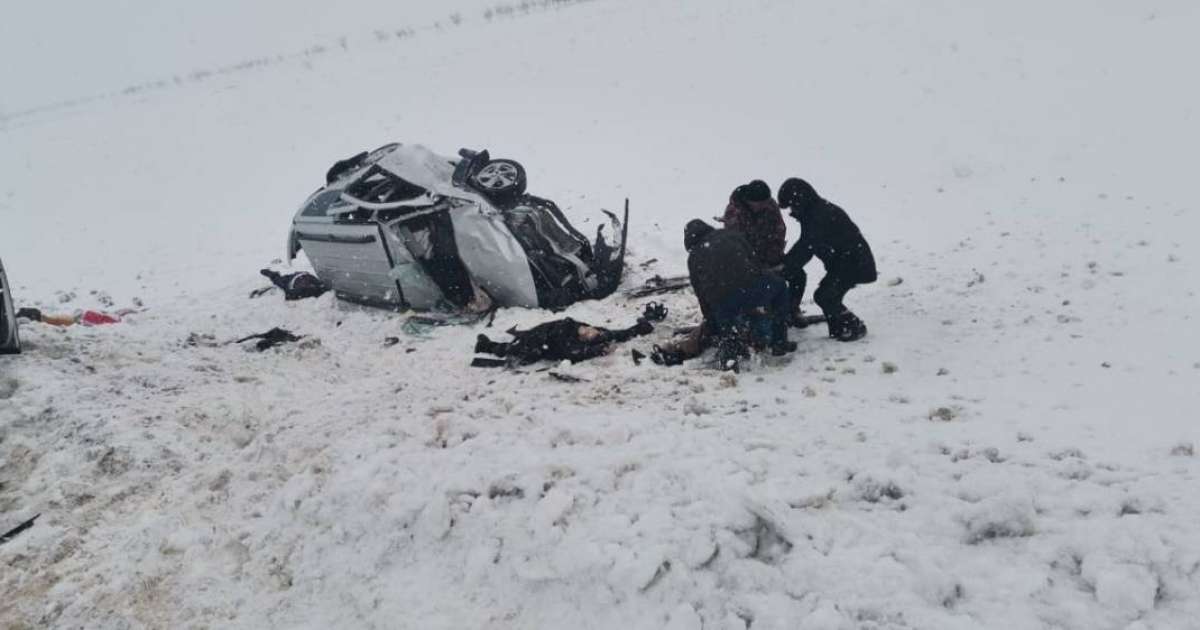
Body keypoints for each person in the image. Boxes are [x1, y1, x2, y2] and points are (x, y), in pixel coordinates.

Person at [685, 219, 795, 369]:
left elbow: (700, 293)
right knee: (780, 287)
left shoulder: (694, 257)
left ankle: (729, 358)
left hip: (723, 301)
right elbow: (755, 262)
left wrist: (711, 319)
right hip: (752, 288)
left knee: (727, 329)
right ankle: (779, 341)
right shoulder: (731, 235)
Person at [778, 178, 877, 342]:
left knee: (826, 295)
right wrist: (787, 265)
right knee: (826, 295)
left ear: (799, 200)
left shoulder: (818, 215)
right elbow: (805, 244)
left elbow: (806, 247)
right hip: (846, 263)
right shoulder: (814, 211)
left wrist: (784, 268)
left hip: (853, 264)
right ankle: (839, 329)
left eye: (792, 205)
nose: (791, 211)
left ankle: (853, 326)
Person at [472, 303, 666, 367]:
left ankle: (489, 345)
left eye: (592, 332)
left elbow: (618, 334)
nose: (590, 330)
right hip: (538, 339)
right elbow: (574, 353)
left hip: (543, 343)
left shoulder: (594, 334)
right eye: (589, 330)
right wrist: (597, 349)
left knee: (523, 350)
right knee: (517, 351)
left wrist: (638, 329)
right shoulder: (567, 332)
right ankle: (487, 345)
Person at [721, 180, 787, 268]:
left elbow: (779, 231)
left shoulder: (770, 206)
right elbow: (735, 243)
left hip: (770, 256)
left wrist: (773, 256)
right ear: (749, 201)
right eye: (760, 204)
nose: (764, 206)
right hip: (744, 261)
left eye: (766, 203)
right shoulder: (734, 212)